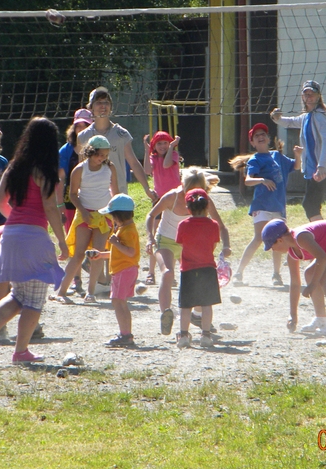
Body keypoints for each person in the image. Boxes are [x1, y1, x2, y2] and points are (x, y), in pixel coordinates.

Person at [0, 117, 68, 365]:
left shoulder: (13, 167)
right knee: (34, 299)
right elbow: (50, 207)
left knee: (19, 295)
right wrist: (62, 242)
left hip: (10, 234)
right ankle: (20, 351)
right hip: (34, 237)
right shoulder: (45, 170)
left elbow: (0, 201)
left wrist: (16, 220)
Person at [145, 167, 231, 335]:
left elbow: (220, 226)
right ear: (183, 184)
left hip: (189, 245)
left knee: (198, 276)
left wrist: (226, 245)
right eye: (190, 189)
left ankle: (197, 314)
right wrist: (150, 237)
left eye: (198, 189)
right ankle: (166, 314)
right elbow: (151, 215)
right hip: (167, 241)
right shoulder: (172, 196)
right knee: (167, 273)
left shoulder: (202, 200)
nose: (193, 195)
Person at [262, 218, 326, 337]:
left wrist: (312, 285)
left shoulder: (300, 237)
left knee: (324, 279)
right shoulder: (292, 253)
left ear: (280, 240)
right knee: (309, 273)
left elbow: (322, 257)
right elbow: (295, 284)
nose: (272, 250)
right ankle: (321, 319)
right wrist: (293, 315)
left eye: (271, 246)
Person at [229, 122, 299, 287]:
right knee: (259, 238)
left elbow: (295, 166)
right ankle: (239, 273)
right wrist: (262, 180)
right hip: (261, 205)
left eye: (263, 134)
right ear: (252, 143)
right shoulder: (255, 159)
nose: (260, 137)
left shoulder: (277, 156)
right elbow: (247, 180)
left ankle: (276, 275)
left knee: (279, 240)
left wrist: (298, 155)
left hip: (278, 206)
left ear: (268, 139)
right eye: (256, 136)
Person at [53, 135, 118, 304]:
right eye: (99, 155)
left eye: (105, 155)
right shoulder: (80, 170)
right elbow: (73, 194)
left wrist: (116, 215)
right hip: (84, 214)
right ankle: (62, 291)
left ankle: (91, 293)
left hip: (104, 215)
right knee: (79, 254)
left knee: (97, 252)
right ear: (90, 152)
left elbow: (115, 193)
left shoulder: (110, 168)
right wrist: (83, 211)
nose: (102, 158)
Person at [270, 79, 326, 221]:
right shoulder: (307, 116)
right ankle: (320, 233)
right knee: (312, 205)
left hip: (322, 169)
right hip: (312, 169)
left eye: (311, 94)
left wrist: (322, 166)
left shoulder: (320, 117)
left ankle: (323, 233)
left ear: (318, 96)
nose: (308, 97)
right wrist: (276, 118)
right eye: (305, 94)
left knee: (309, 204)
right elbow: (290, 122)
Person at [77, 86, 156, 200]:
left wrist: (146, 188)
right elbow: (81, 167)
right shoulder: (83, 136)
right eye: (99, 102)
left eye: (106, 102)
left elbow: (133, 162)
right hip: (92, 197)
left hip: (118, 196)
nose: (103, 106)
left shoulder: (121, 134)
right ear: (91, 108)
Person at [85, 194, 141, 347]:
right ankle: (125, 334)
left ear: (118, 215)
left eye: (112, 216)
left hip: (124, 270)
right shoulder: (124, 228)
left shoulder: (128, 231)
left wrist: (115, 242)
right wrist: (101, 255)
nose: (112, 219)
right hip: (123, 269)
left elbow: (130, 252)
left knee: (118, 302)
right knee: (120, 302)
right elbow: (120, 253)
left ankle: (125, 335)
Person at [174, 189, 222, 348]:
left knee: (186, 305)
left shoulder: (183, 225)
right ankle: (206, 335)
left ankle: (183, 335)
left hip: (188, 269)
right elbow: (213, 245)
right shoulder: (213, 225)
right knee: (206, 304)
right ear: (207, 206)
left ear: (188, 208)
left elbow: (181, 243)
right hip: (208, 268)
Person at [57, 108, 93, 295]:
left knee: (93, 238)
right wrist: (59, 204)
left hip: (93, 199)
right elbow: (61, 178)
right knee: (73, 240)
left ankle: (97, 282)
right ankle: (76, 280)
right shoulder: (66, 150)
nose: (81, 129)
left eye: (85, 125)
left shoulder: (97, 147)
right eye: (78, 125)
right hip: (70, 199)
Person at [143, 130, 181, 285]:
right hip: (159, 200)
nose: (163, 146)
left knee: (176, 236)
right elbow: (146, 170)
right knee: (157, 236)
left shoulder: (173, 155)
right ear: (154, 146)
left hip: (174, 200)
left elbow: (166, 165)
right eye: (159, 143)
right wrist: (147, 151)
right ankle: (151, 273)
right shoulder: (153, 158)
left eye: (166, 142)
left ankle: (172, 273)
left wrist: (172, 147)